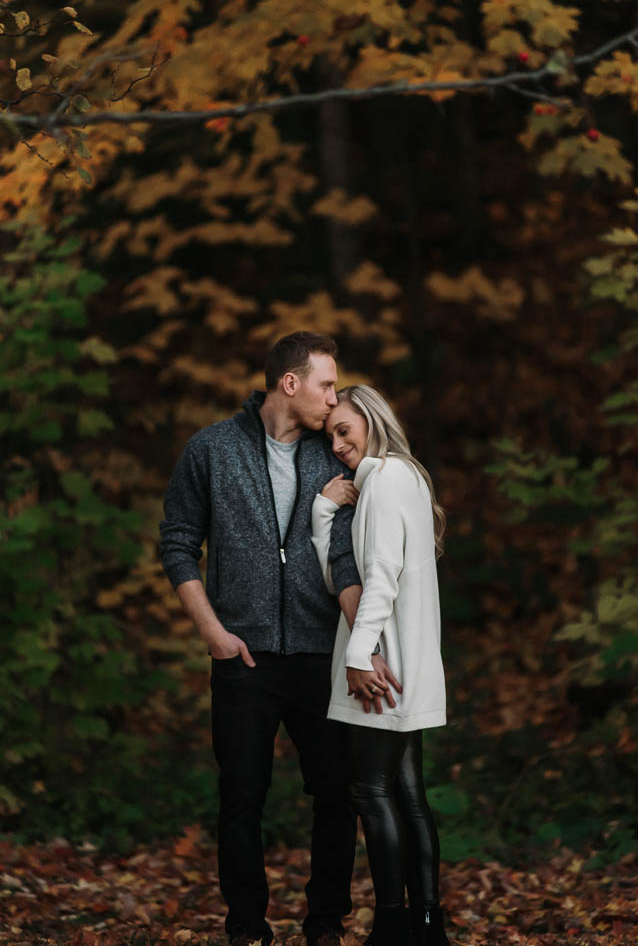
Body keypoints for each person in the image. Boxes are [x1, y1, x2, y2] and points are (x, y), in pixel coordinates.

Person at [159, 333, 395, 946]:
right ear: (290, 384)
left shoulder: (332, 452)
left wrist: (359, 644)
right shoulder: (211, 450)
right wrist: (213, 633)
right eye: (326, 385)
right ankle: (246, 929)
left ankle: (324, 925)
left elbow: (345, 554)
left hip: (322, 655)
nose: (334, 398)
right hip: (244, 656)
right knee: (241, 798)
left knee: (337, 796)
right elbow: (179, 542)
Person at [311, 385, 450, 946]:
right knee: (408, 794)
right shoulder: (399, 478)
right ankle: (426, 926)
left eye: (346, 430)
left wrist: (357, 653)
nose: (339, 444)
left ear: (371, 420)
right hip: (404, 661)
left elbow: (382, 579)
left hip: (381, 665)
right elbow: (340, 579)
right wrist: (325, 510)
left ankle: (393, 926)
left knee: (371, 792)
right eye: (332, 436)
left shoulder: (386, 481)